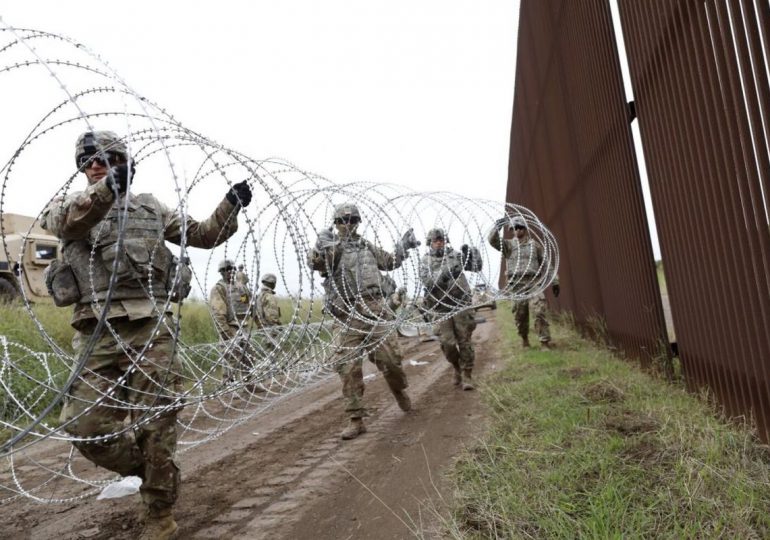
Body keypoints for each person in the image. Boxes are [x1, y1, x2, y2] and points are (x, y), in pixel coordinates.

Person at [41, 130, 251, 539]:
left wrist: (230, 205)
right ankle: (151, 470)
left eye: (107, 156)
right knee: (84, 425)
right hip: (96, 332)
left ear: (123, 159)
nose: (96, 163)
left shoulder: (151, 209)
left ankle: (159, 515)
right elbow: (70, 223)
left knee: (157, 423)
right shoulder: (68, 207)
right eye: (88, 159)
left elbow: (204, 234)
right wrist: (106, 191)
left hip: (149, 328)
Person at [307, 202, 419, 440]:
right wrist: (320, 245)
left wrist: (403, 245)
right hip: (347, 314)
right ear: (336, 224)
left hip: (376, 310)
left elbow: (390, 262)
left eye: (351, 220)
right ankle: (356, 419)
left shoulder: (366, 245)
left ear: (357, 222)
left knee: (391, 360)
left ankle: (398, 390)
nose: (347, 225)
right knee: (347, 367)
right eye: (342, 221)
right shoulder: (332, 249)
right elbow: (316, 263)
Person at [419, 228, 482, 390]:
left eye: (441, 239)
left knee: (465, 341)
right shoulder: (425, 261)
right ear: (430, 243)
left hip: (460, 305)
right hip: (440, 308)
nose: (439, 242)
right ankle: (456, 366)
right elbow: (427, 282)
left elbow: (475, 267)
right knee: (448, 344)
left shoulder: (455, 256)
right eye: (435, 240)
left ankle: (467, 374)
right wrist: (445, 274)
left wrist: (474, 254)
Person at [488, 216, 560, 348]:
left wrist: (555, 281)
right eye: (514, 228)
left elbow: (546, 264)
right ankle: (524, 339)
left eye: (520, 227)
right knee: (520, 316)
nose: (518, 230)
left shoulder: (535, 246)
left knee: (539, 311)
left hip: (533, 283)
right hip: (516, 285)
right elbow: (492, 241)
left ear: (525, 229)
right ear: (511, 230)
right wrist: (497, 227)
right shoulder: (508, 246)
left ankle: (544, 342)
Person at [209, 259, 261, 389]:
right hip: (230, 327)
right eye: (226, 269)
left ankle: (249, 384)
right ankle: (228, 386)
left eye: (232, 268)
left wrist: (259, 324)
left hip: (243, 327)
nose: (230, 271)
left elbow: (251, 306)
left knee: (248, 356)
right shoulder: (219, 288)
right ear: (221, 272)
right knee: (231, 358)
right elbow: (218, 312)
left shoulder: (241, 287)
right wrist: (225, 332)